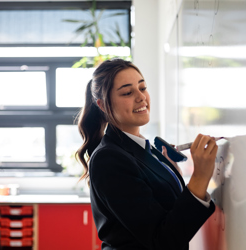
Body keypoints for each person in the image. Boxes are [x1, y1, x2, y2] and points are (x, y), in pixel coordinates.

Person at [76, 58, 217, 250]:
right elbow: (162, 240)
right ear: (102, 105)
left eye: (142, 88)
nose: (141, 97)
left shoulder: (143, 148)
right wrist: (200, 176)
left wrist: (170, 171)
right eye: (127, 92)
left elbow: (168, 211)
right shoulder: (108, 159)